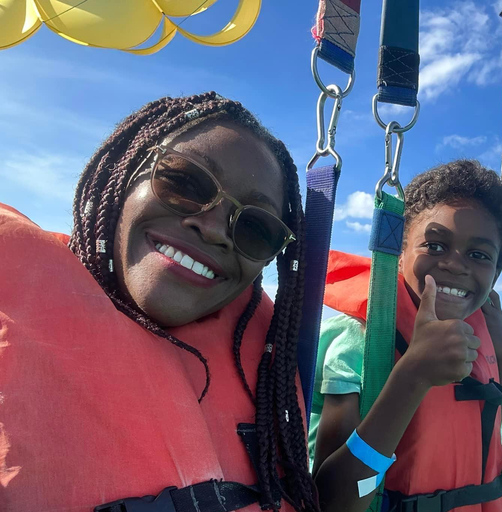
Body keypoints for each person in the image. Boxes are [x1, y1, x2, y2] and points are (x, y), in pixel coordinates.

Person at [0, 92, 318, 512]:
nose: (213, 229)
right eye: (186, 182)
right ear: (124, 173)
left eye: (256, 229)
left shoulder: (266, 366)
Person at [310, 160, 502, 512]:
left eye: (479, 254)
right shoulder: (357, 343)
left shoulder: (494, 345)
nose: (455, 264)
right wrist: (413, 375)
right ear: (399, 252)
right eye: (435, 246)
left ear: (496, 274)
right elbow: (331, 503)